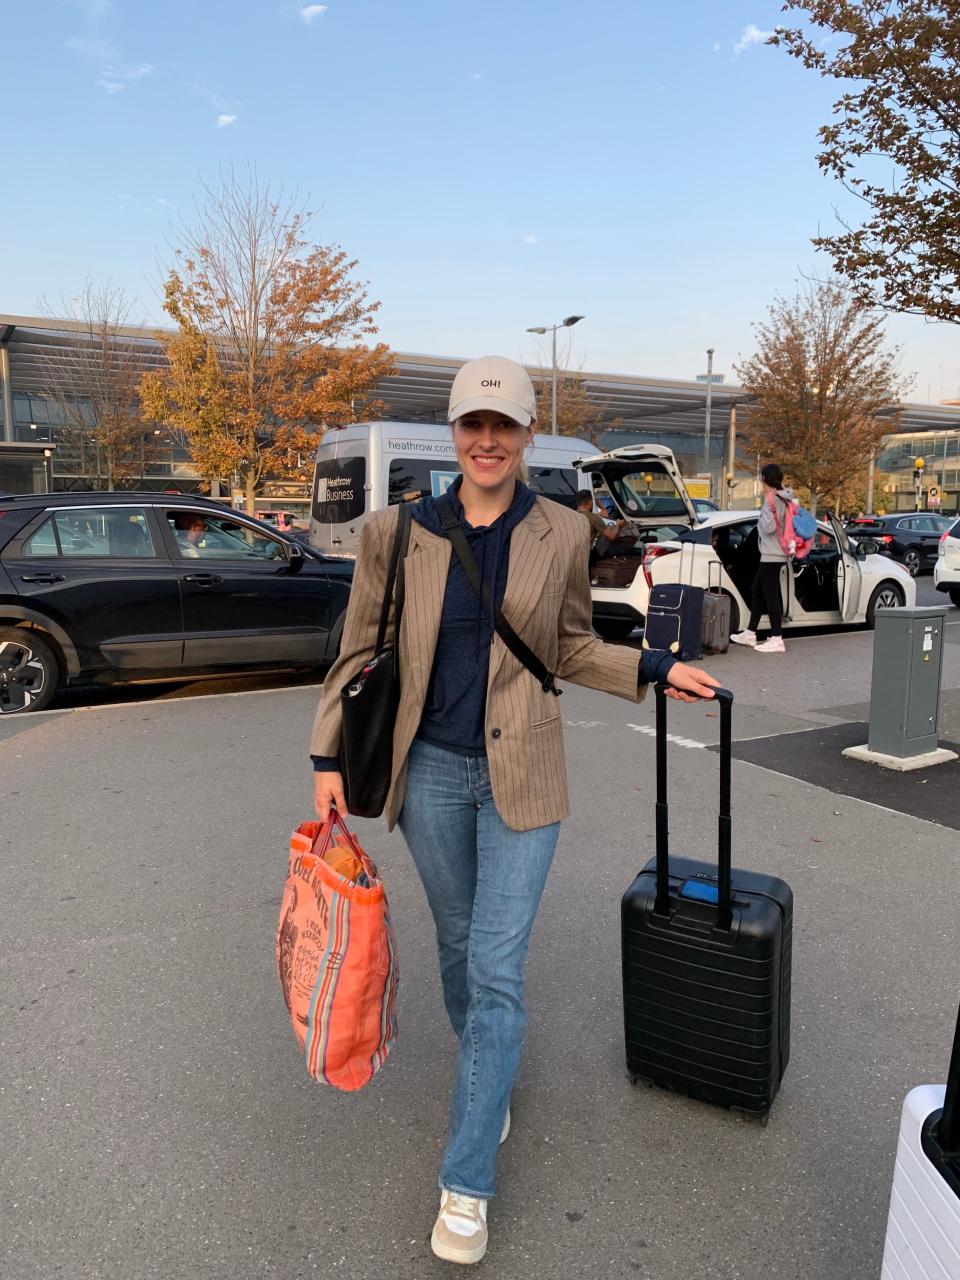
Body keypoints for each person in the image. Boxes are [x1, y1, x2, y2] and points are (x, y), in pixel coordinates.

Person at [310, 355, 720, 1265]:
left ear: (528, 434)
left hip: (525, 776)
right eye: (472, 425)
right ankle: (488, 1084)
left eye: (504, 426)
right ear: (454, 434)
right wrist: (325, 756)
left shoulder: (563, 533)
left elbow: (569, 645)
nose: (487, 441)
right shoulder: (396, 533)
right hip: (429, 775)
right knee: (460, 952)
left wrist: (651, 669)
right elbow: (356, 654)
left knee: (496, 967)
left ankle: (465, 1184)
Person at [730, 463, 793, 654]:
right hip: (776, 552)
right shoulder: (784, 497)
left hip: (771, 554)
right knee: (757, 589)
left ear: (765, 478)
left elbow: (767, 528)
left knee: (770, 595)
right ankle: (750, 633)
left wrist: (762, 515)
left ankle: (776, 638)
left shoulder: (772, 500)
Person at [575, 489, 626, 559]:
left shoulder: (571, 515)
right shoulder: (594, 518)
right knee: (608, 532)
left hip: (574, 553)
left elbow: (604, 514)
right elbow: (612, 536)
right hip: (587, 555)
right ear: (590, 502)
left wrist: (601, 507)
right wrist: (618, 524)